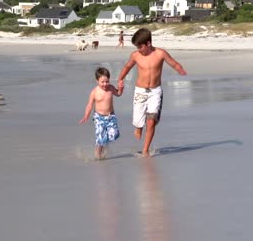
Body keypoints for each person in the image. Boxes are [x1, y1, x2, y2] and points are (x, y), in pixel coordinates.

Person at [117, 28, 187, 158]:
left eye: (140, 47)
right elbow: (127, 67)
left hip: (155, 91)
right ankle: (138, 127)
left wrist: (181, 70)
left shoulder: (160, 53)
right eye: (137, 47)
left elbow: (173, 63)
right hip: (140, 91)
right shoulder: (135, 56)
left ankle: (145, 150)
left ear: (148, 43)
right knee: (138, 121)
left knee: (151, 121)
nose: (139, 49)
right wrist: (120, 79)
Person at [79, 67, 124, 159]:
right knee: (100, 138)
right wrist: (86, 115)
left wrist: (121, 88)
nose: (105, 84)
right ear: (97, 81)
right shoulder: (94, 92)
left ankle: (104, 144)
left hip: (110, 116)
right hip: (99, 118)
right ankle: (98, 155)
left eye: (107, 81)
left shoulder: (110, 88)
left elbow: (118, 94)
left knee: (114, 135)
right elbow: (89, 105)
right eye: (102, 82)